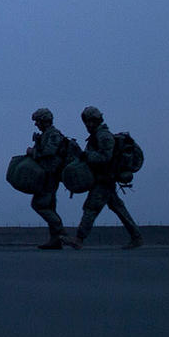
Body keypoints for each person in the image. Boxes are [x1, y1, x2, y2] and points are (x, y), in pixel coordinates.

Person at [68, 106, 143, 250]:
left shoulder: (103, 136)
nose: (88, 125)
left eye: (90, 121)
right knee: (118, 207)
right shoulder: (98, 135)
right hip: (103, 178)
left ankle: (79, 239)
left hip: (104, 179)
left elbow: (105, 157)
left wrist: (86, 156)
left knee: (91, 208)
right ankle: (136, 236)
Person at [25, 107, 72, 249]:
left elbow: (49, 152)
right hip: (46, 175)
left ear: (44, 121)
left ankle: (62, 233)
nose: (36, 124)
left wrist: (32, 152)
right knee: (50, 206)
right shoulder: (46, 134)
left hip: (50, 175)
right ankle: (55, 240)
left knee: (39, 205)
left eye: (37, 121)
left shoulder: (53, 135)